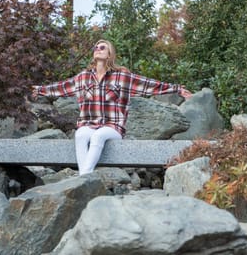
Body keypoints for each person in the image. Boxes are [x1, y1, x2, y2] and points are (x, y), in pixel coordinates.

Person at [32, 39, 193, 175]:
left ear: (109, 54)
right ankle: (86, 176)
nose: (98, 49)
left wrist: (177, 89)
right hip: (88, 124)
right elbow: (62, 87)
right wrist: (39, 90)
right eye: (96, 47)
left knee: (98, 136)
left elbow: (148, 85)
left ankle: (83, 177)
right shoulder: (83, 77)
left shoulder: (122, 76)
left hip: (112, 127)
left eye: (102, 47)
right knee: (81, 135)